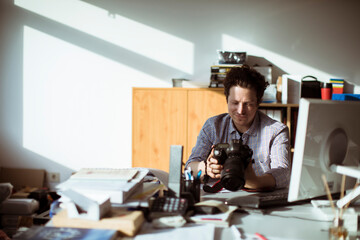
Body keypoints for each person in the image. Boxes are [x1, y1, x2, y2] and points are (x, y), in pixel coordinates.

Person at [185, 66, 290, 190]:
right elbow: (189, 167)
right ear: (227, 100)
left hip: (257, 198)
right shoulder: (213, 126)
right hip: (219, 198)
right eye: (235, 103)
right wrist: (206, 168)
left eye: (248, 104)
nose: (240, 111)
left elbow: (283, 174)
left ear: (258, 103)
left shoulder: (276, 131)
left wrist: (253, 181)